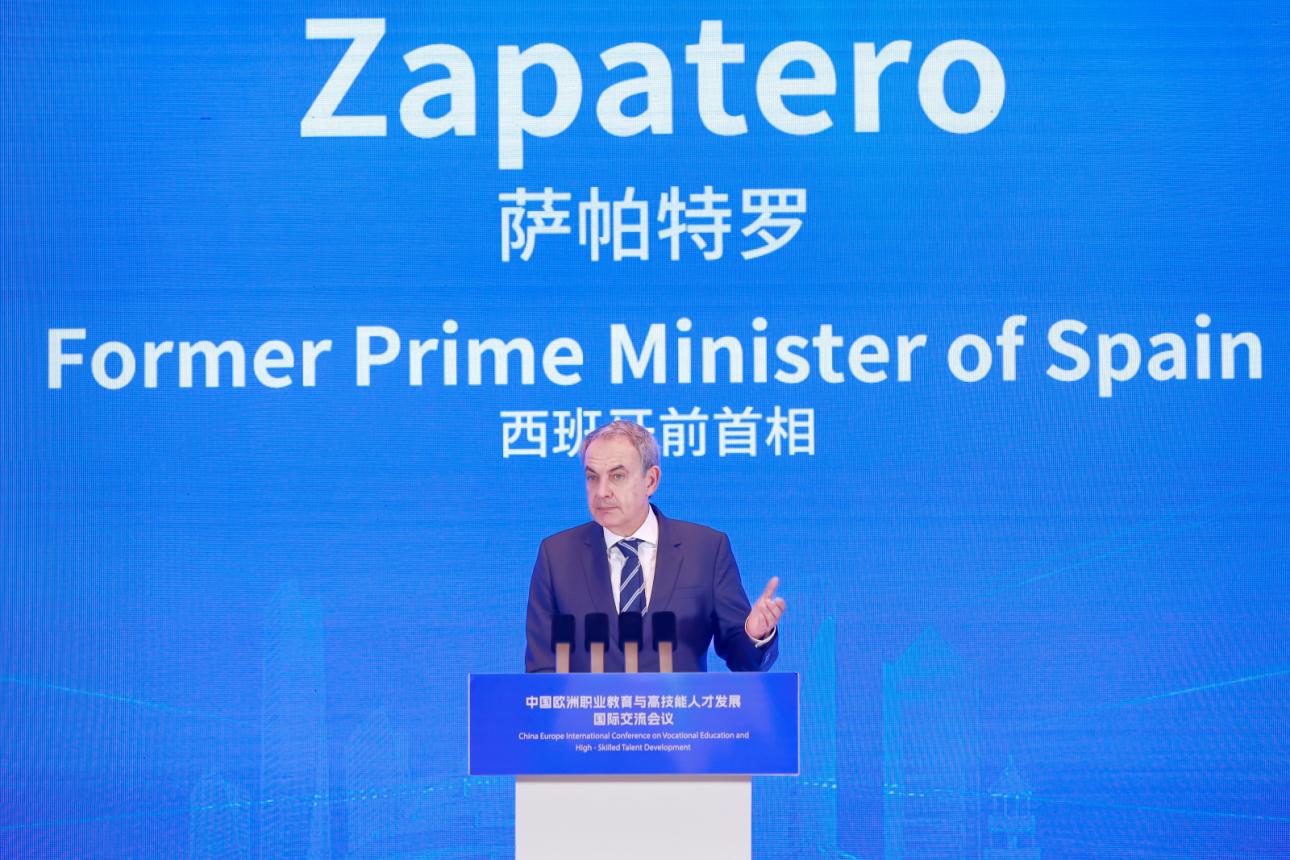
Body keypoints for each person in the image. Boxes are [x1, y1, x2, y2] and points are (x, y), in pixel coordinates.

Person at [525, 420, 785, 672]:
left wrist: (755, 634)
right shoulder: (557, 555)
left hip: (681, 703)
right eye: (592, 477)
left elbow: (743, 661)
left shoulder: (705, 549)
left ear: (651, 480)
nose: (602, 491)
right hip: (586, 705)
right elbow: (541, 669)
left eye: (617, 476)